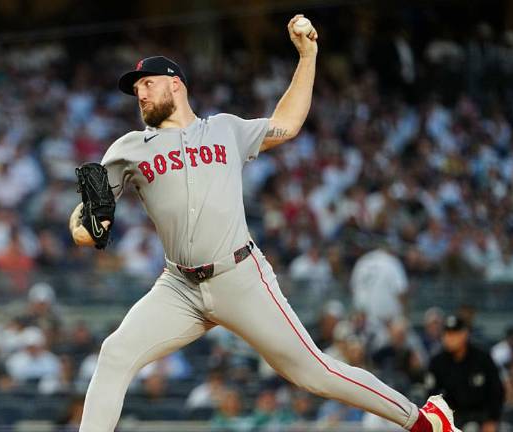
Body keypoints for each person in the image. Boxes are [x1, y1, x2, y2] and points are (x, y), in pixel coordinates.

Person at [68, 15, 460, 432]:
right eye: (136, 89)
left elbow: (287, 124)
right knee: (114, 354)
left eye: (147, 83)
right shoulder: (130, 148)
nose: (140, 94)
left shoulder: (223, 129)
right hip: (179, 286)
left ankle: (423, 421)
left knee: (315, 373)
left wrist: (307, 56)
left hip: (240, 276)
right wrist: (85, 225)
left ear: (175, 84)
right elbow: (86, 218)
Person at [426, 315, 504, 432]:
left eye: (454, 334)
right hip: (449, 418)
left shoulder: (482, 358)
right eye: (446, 334)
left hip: (480, 417)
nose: (449, 338)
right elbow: (431, 395)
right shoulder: (437, 362)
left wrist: (492, 419)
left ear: (464, 334)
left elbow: (496, 390)